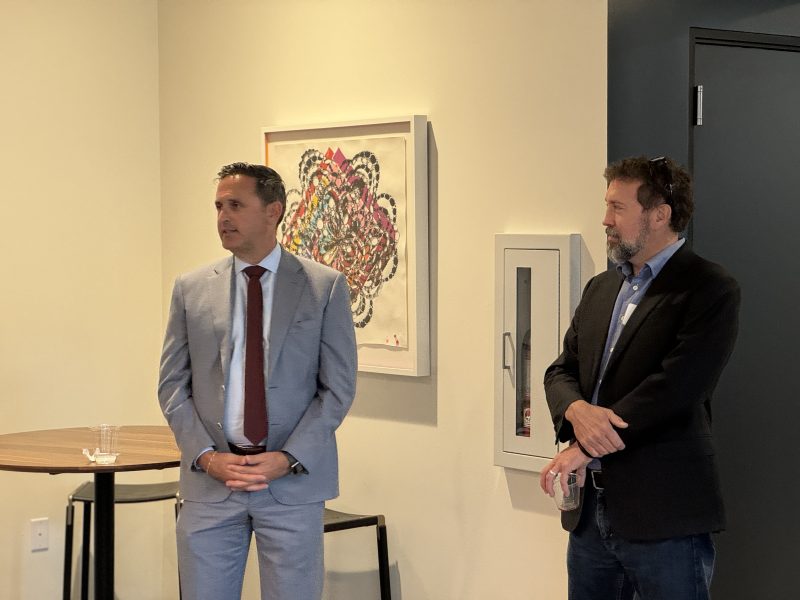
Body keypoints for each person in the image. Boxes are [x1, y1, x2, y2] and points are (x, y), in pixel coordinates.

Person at [540, 156, 740, 599]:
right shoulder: (601, 287)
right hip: (590, 515)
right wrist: (576, 409)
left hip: (664, 515)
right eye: (607, 206)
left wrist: (585, 445)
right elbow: (560, 371)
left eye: (618, 207)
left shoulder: (709, 288)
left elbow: (676, 387)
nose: (605, 220)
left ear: (659, 214)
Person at [159, 162, 357, 600]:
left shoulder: (323, 287)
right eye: (218, 206)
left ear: (273, 211)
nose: (223, 217)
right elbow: (172, 385)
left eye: (235, 205)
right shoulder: (191, 288)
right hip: (211, 483)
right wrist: (206, 457)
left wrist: (288, 458)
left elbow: (337, 389)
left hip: (291, 484)